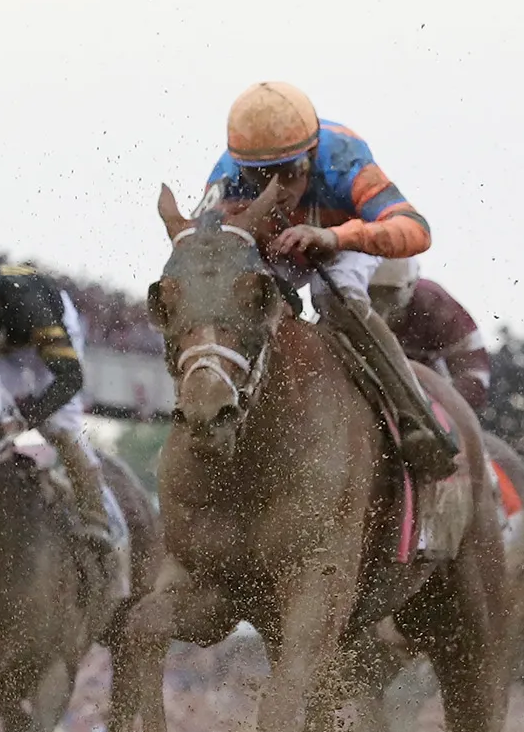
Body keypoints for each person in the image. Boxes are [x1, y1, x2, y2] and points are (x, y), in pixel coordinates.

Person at [204, 81, 459, 480]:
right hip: (275, 247)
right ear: (242, 170)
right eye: (262, 179)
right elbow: (203, 254)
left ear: (311, 156)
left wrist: (335, 237)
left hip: (342, 241)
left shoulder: (343, 158)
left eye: (289, 175)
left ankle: (418, 419)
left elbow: (415, 229)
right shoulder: (226, 177)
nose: (278, 191)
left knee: (334, 299)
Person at [0, 258, 125, 594]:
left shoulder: (34, 311)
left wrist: (27, 419)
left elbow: (71, 377)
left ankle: (98, 521)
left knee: (61, 425)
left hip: (52, 331)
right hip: (10, 339)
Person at [368, 259, 492, 414]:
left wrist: (441, 401)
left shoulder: (439, 306)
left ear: (411, 285)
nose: (380, 300)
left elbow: (474, 371)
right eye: (372, 291)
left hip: (431, 388)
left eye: (391, 292)